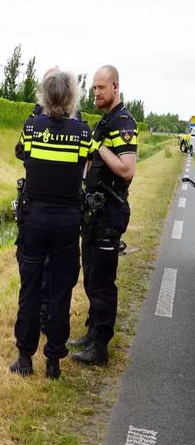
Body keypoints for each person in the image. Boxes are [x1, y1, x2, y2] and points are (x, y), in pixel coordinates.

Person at [10, 70, 92, 379]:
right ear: (72, 97)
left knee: (30, 289)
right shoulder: (83, 133)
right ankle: (54, 362)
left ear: (43, 96)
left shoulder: (32, 127)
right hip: (67, 222)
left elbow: (22, 152)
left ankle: (25, 358)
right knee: (60, 291)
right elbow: (88, 164)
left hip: (34, 219)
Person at [69, 65, 138, 366]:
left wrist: (98, 146)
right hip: (93, 211)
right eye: (94, 88)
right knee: (91, 276)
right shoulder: (104, 121)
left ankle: (101, 347)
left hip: (109, 212)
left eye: (100, 88)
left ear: (115, 86)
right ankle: (92, 331)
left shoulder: (123, 122)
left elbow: (126, 168)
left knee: (103, 282)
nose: (95, 92)